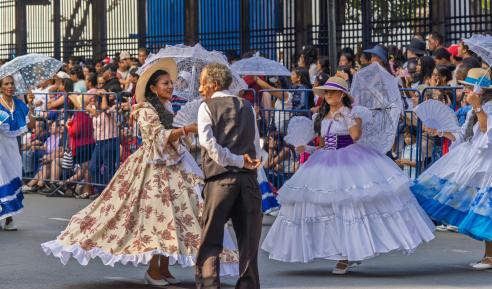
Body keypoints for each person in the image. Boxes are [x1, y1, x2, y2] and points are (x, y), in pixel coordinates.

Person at [41, 58, 239, 286]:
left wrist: (184, 133)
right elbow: (156, 137)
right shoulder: (144, 109)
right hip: (151, 168)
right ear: (153, 88)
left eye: (172, 83)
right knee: (156, 217)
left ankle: (163, 267)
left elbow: (170, 137)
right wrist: (184, 129)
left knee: (176, 217)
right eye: (166, 83)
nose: (171, 86)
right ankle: (153, 270)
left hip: (176, 166)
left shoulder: (168, 107)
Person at [261, 77, 435, 274]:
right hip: (324, 161)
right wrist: (307, 148)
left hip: (350, 160)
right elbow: (324, 143)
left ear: (342, 94)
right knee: (323, 206)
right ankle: (339, 251)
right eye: (325, 92)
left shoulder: (352, 113)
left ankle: (348, 254)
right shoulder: (322, 116)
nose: (327, 96)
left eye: (331, 92)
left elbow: (355, 136)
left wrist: (346, 115)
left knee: (349, 205)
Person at [411, 68, 492, 270]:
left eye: (468, 87)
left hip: (487, 162)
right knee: (481, 207)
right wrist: (440, 132)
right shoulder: (474, 108)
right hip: (475, 159)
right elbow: (463, 136)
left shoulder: (486, 106)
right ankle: (489, 256)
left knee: (485, 208)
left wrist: (479, 107)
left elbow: (486, 131)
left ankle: (490, 257)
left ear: (479, 88)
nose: (464, 91)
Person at [196, 63, 262, 289]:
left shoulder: (207, 107)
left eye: (202, 83)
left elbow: (208, 144)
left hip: (220, 180)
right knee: (249, 243)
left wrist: (234, 160)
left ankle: (209, 285)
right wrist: (246, 162)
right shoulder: (247, 106)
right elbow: (255, 145)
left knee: (210, 241)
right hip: (248, 180)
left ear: (213, 84)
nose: (200, 89)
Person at [0, 75, 34, 230]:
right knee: (1, 180)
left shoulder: (19, 104)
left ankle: (8, 217)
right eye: (6, 83)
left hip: (12, 149)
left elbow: (31, 123)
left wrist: (31, 104)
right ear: (0, 87)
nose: (10, 86)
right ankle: (8, 219)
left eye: (12, 83)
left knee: (13, 177)